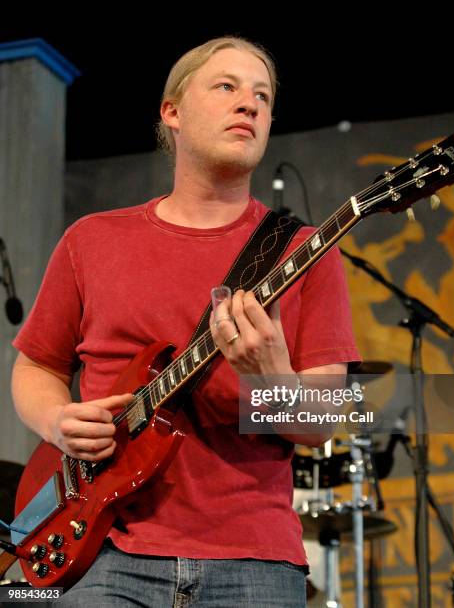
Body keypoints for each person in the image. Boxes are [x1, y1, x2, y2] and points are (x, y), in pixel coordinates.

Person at [11, 36, 360, 607]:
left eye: (263, 96)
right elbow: (36, 365)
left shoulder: (306, 251)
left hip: (255, 560)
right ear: (171, 111)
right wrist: (55, 420)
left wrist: (272, 377)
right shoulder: (92, 240)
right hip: (103, 552)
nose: (249, 104)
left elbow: (320, 424)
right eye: (226, 86)